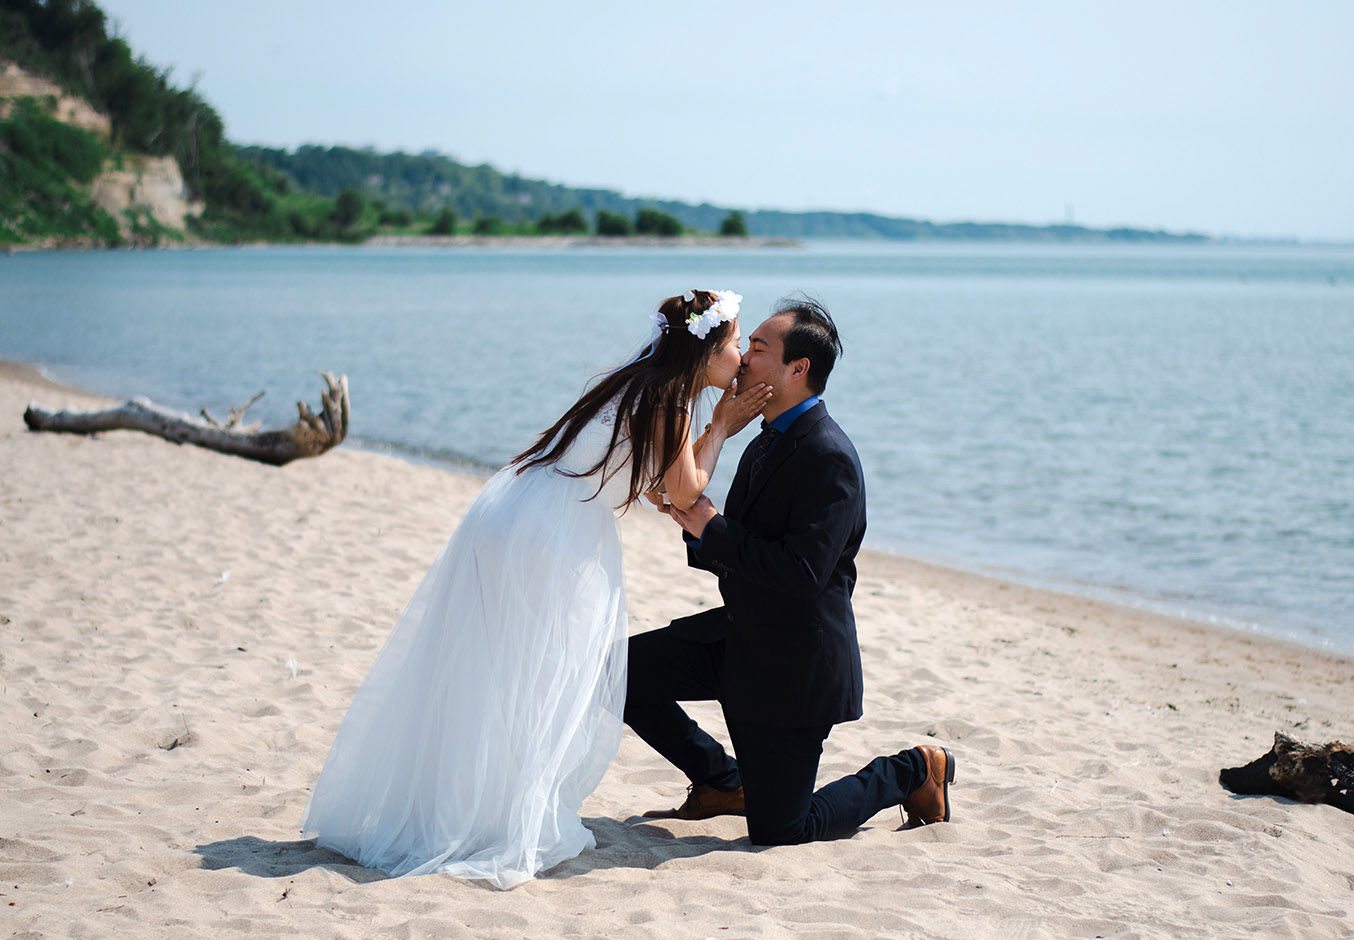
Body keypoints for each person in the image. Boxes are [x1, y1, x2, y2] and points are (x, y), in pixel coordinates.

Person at [302, 289, 772, 888]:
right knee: (548, 674)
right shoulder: (671, 401)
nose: (741, 358)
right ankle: (500, 815)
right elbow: (685, 492)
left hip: (519, 511)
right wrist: (724, 426)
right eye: (735, 345)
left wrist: (697, 441)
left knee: (502, 668)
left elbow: (654, 479)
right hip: (555, 535)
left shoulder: (635, 380)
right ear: (706, 348)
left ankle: (473, 803)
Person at [625, 296, 956, 847]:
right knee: (619, 675)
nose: (743, 359)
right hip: (739, 636)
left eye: (757, 348)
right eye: (746, 345)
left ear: (798, 369)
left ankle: (914, 770)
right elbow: (741, 546)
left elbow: (801, 572)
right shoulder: (765, 439)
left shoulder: (828, 455)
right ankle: (720, 781)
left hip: (794, 667)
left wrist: (710, 523)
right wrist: (692, 519)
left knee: (782, 830)